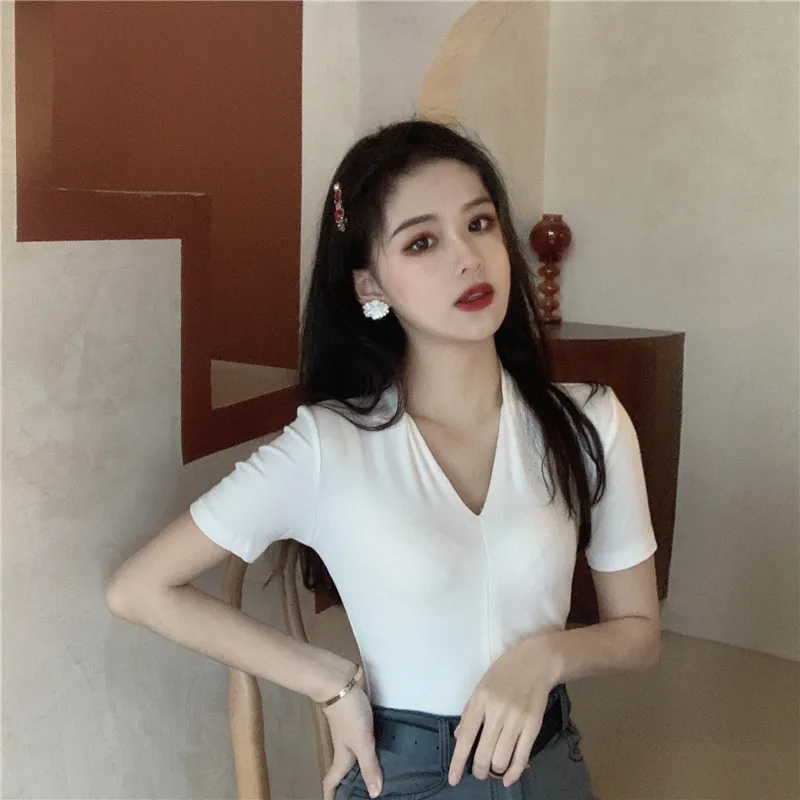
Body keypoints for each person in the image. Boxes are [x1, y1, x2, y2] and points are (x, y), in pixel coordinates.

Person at [107, 119, 660, 800]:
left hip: (547, 762)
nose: (468, 257)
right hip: (403, 773)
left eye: (480, 223)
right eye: (422, 242)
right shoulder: (328, 446)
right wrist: (328, 681)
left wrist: (547, 655)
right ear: (371, 286)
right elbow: (139, 589)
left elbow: (639, 633)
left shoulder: (591, 421)